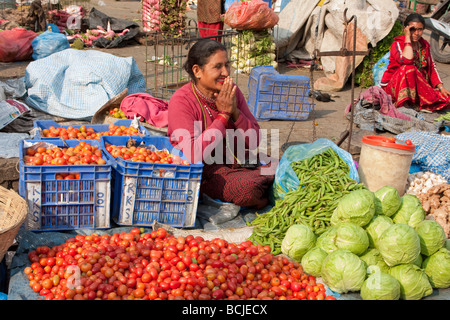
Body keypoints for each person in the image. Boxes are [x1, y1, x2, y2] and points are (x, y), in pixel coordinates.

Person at [167, 39, 275, 209]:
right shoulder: (181, 101)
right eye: (217, 67)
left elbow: (254, 141)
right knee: (247, 189)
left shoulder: (232, 91)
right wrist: (223, 115)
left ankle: (264, 185)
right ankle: (263, 197)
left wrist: (235, 112)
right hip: (206, 172)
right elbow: (193, 155)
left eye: (227, 65)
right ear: (197, 71)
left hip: (240, 161)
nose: (225, 72)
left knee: (288, 166)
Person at [380, 13, 450, 111]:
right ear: (406, 28)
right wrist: (407, 38)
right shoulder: (398, 44)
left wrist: (441, 87)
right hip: (396, 87)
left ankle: (418, 102)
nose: (416, 33)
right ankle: (405, 103)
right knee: (409, 68)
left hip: (418, 87)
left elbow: (432, 67)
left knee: (446, 99)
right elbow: (407, 60)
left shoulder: (425, 45)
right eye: (413, 29)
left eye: (420, 29)